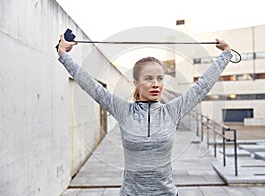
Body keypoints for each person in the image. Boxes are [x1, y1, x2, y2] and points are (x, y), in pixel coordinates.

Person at [57, 34, 232, 196]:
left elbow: (202, 86)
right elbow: (91, 85)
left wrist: (225, 55)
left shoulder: (172, 111)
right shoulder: (123, 111)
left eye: (160, 78)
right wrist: (64, 55)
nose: (156, 84)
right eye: (148, 78)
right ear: (136, 83)